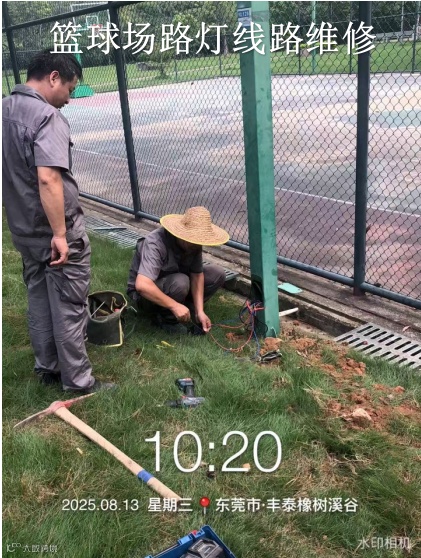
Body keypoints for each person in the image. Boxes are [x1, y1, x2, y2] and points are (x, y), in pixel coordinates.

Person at [2, 50, 115, 394]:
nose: (69, 99)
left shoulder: (5, 109)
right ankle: (79, 382)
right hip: (54, 232)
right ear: (53, 77)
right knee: (69, 305)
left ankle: (47, 368)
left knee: (39, 298)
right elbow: (48, 178)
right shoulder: (47, 117)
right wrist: (61, 234)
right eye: (70, 88)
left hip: (24, 230)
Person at [127, 206, 229, 334]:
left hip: (174, 284)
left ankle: (188, 309)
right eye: (193, 240)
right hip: (145, 296)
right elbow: (142, 285)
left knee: (217, 273)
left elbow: (197, 275)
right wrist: (174, 306)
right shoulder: (156, 242)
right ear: (181, 234)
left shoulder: (193, 245)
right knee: (181, 281)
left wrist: (199, 311)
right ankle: (167, 319)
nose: (197, 244)